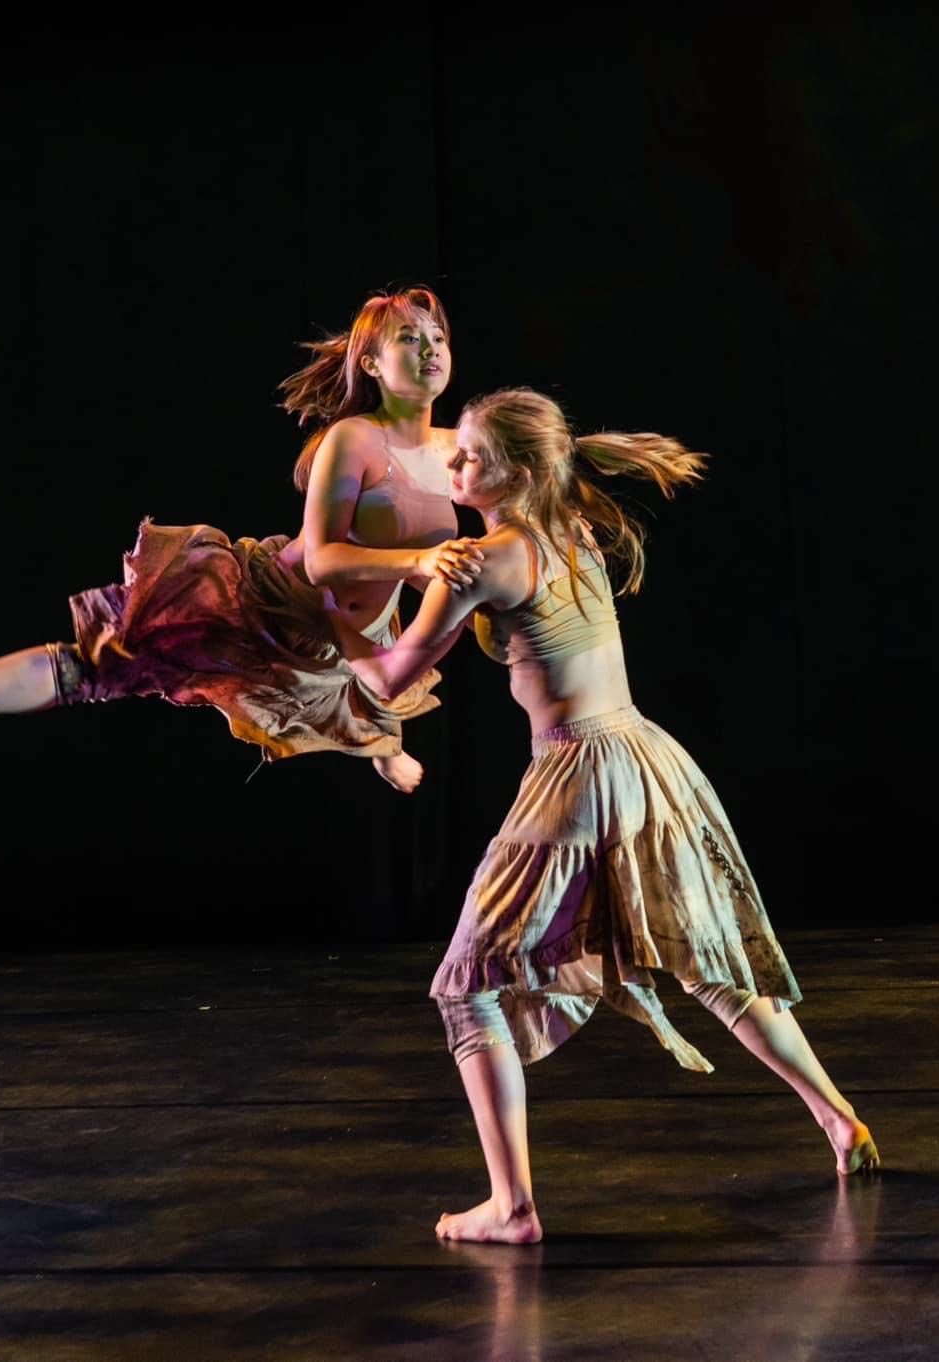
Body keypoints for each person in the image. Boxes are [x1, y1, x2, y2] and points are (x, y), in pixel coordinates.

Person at [347, 387, 879, 1244]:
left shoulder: (487, 560)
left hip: (577, 773)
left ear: (519, 474)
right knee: (701, 959)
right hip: (642, 757)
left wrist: (318, 628)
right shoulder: (573, 531)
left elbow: (390, 679)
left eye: (473, 455)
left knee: (467, 989)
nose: (455, 464)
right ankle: (836, 1116)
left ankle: (512, 1208)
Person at [0, 287, 484, 792]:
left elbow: (508, 518)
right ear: (371, 362)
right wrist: (424, 560)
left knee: (375, 672)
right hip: (266, 607)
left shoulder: (457, 448)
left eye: (438, 338)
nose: (430, 350)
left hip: (341, 646)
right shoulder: (354, 440)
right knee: (98, 666)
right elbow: (327, 557)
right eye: (409, 339)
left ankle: (375, 736)